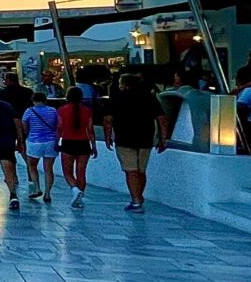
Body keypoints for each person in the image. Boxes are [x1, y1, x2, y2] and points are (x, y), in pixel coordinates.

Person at [102, 72, 168, 212]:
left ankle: (136, 201)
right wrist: (163, 139)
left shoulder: (116, 98)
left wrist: (107, 137)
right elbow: (162, 119)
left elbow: (108, 120)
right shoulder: (149, 97)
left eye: (120, 83)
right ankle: (138, 196)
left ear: (124, 84)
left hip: (124, 139)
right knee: (141, 171)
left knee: (131, 171)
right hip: (145, 138)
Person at [20, 89, 61, 203]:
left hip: (34, 141)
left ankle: (37, 188)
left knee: (32, 165)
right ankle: (47, 194)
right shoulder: (53, 110)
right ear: (45, 100)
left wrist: (27, 133)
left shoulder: (29, 111)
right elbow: (58, 124)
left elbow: (24, 125)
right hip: (51, 141)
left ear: (33, 100)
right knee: (48, 169)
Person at [57, 86, 96, 208]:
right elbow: (90, 129)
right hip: (83, 143)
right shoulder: (87, 111)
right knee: (81, 172)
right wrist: (93, 146)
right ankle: (80, 197)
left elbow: (60, 127)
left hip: (68, 142)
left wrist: (56, 142)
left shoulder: (62, 110)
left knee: (67, 171)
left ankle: (75, 189)